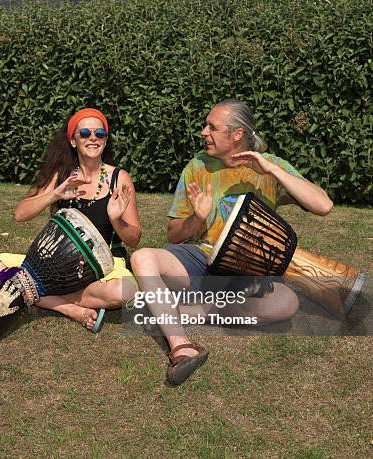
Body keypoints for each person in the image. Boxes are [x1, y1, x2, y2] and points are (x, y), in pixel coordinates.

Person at [130, 99, 333, 386]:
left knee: (286, 304)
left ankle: (201, 310)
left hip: (248, 268)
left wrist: (272, 171)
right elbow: (174, 235)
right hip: (201, 258)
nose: (203, 132)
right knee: (142, 258)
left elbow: (323, 205)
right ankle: (181, 347)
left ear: (237, 134)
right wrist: (196, 219)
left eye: (212, 127)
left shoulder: (271, 165)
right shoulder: (197, 166)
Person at [0, 108, 141, 330]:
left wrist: (116, 220)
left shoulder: (119, 178)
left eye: (99, 133)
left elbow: (134, 238)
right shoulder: (62, 174)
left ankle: (35, 293)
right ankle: (67, 307)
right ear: (73, 141)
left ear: (105, 139)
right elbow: (20, 214)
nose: (92, 138)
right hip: (52, 264)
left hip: (101, 268)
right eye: (84, 133)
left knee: (126, 290)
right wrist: (55, 194)